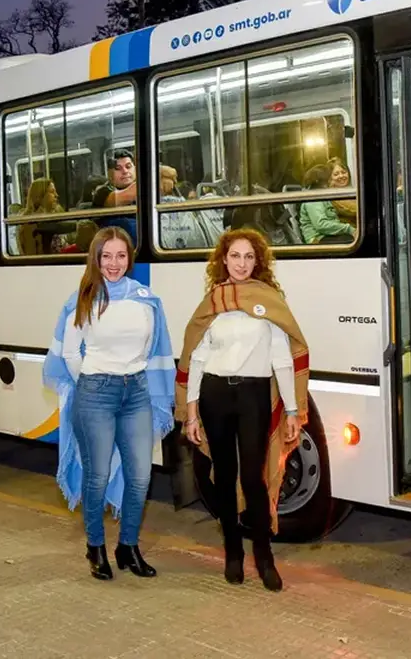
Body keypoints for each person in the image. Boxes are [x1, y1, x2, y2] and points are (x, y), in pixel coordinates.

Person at [176, 228, 310, 592]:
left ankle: (264, 558)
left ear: (259, 262)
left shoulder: (270, 302)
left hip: (253, 396)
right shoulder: (212, 303)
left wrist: (294, 411)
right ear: (223, 259)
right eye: (235, 256)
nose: (242, 264)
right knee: (224, 473)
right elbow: (197, 357)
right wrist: (191, 410)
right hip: (215, 395)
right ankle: (233, 553)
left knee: (254, 478)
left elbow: (283, 360)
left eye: (249, 257)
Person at [41, 227, 176, 581]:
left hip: (138, 392)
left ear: (129, 258)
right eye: (106, 256)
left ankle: (127, 546)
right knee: (97, 475)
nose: (114, 264)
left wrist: (130, 373)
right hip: (96, 393)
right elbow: (69, 353)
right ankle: (95, 546)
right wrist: (91, 377)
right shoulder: (83, 299)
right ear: (96, 259)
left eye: (120, 256)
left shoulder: (146, 299)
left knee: (140, 476)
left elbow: (153, 348)